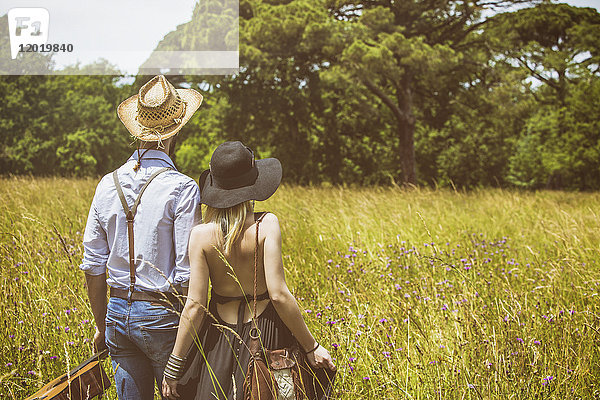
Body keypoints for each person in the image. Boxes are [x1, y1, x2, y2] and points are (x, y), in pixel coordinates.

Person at [161, 141, 336, 400]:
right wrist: (312, 347)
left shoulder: (200, 236)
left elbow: (195, 305)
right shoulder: (267, 225)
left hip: (219, 336)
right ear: (253, 187)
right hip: (267, 332)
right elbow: (279, 295)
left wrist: (174, 367)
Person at [80, 75, 203, 399]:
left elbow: (93, 265)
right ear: (175, 130)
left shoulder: (107, 184)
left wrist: (100, 324)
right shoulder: (183, 187)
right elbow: (187, 273)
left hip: (117, 313)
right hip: (163, 315)